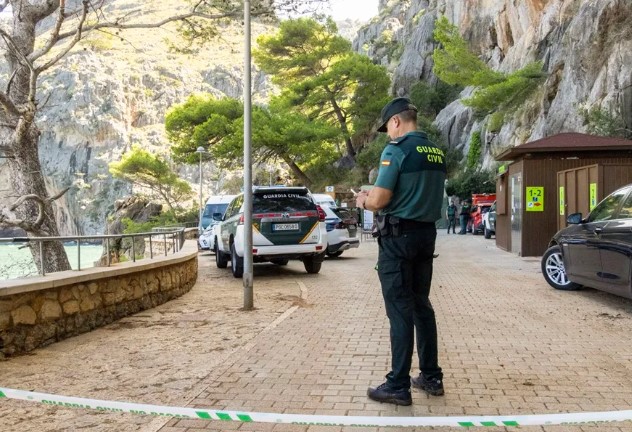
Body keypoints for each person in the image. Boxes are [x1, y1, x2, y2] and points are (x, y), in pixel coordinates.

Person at [356, 97, 446, 406]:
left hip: (397, 240)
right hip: (426, 236)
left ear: (396, 121)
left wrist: (364, 200)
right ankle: (432, 377)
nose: (388, 135)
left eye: (387, 129)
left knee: (400, 310)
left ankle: (397, 385)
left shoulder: (396, 150)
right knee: (422, 305)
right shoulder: (436, 152)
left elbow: (380, 200)